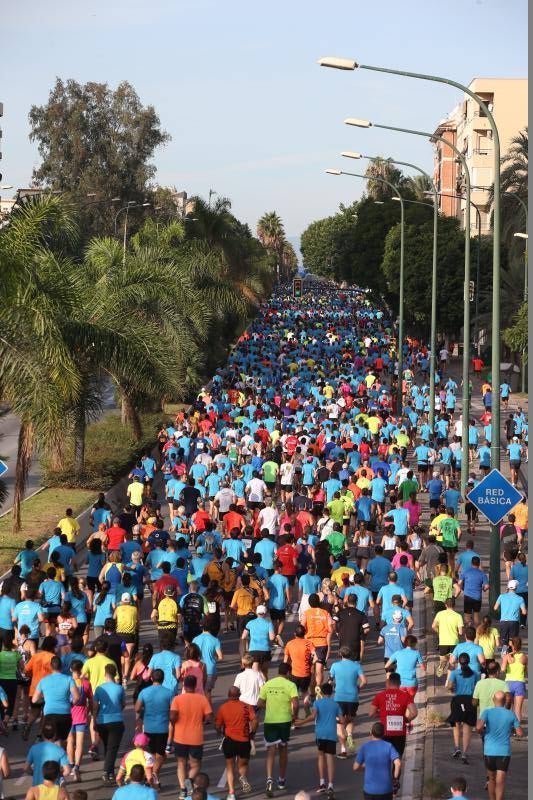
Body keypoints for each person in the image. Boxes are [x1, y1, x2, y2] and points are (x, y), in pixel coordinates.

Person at [294, 682, 344, 799]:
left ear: (321, 692)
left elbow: (313, 716)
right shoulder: (335, 704)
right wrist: (334, 720)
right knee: (330, 758)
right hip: (331, 734)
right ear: (332, 693)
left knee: (321, 756)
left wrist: (301, 722)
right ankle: (331, 785)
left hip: (320, 733)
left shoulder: (317, 702)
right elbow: (342, 721)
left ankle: (322, 783)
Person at [258, 662, 299, 797]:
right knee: (283, 749)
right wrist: (294, 716)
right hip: (284, 721)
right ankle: (281, 780)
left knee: (270, 750)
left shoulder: (268, 684)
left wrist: (269, 707)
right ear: (287, 673)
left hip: (270, 721)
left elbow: (259, 703)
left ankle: (269, 778)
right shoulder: (291, 685)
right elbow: (295, 704)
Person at [170, 675, 212, 799]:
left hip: (180, 737)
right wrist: (202, 720)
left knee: (181, 763)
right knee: (195, 765)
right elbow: (209, 716)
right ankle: (190, 779)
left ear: (184, 685)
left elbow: (172, 717)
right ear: (195, 685)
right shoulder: (202, 699)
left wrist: (175, 723)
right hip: (196, 737)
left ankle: (183, 789)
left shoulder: (177, 699)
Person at [476, 691, 523, 800]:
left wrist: (483, 732)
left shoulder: (487, 712)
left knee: (491, 779)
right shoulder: (510, 714)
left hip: (489, 751)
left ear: (493, 700)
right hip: (504, 752)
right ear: (504, 701)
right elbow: (520, 733)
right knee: (500, 782)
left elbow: (478, 727)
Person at [215, 686, 257, 800]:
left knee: (230, 766)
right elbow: (255, 720)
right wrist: (252, 733)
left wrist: (219, 732)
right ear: (239, 695)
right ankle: (242, 776)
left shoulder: (223, 708)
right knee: (242, 765)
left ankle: (232, 793)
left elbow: (218, 725)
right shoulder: (246, 706)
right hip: (244, 740)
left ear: (228, 696)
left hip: (229, 741)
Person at [135, 668, 173, 788]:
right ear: (163, 679)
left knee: (150, 754)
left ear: (151, 678)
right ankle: (155, 774)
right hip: (163, 728)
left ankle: (150, 776)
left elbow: (137, 708)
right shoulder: (169, 692)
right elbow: (173, 711)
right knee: (160, 754)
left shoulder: (144, 692)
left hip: (149, 728)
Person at [33, 656, 79, 747]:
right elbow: (77, 697)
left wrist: (45, 698)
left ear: (50, 667)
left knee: (50, 740)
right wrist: (70, 704)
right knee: (61, 740)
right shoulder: (69, 679)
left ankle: (52, 757)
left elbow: (34, 700)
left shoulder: (43, 681)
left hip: (49, 714)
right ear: (61, 667)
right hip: (65, 714)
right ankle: (61, 757)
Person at [369, 672, 417, 758]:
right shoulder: (406, 696)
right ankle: (396, 770)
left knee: (385, 758)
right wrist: (407, 720)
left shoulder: (380, 696)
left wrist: (382, 713)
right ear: (400, 683)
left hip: (384, 732)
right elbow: (414, 713)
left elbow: (371, 713)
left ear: (388, 682)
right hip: (400, 733)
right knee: (397, 759)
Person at [93, 663, 126, 783]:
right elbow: (123, 704)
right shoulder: (119, 688)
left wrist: (94, 720)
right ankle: (107, 771)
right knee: (112, 747)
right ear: (115, 674)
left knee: (108, 746)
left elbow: (95, 706)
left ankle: (109, 771)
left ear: (105, 674)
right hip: (116, 721)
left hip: (102, 721)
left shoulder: (99, 688)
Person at [353, 722, 402, 800]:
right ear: (384, 734)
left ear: (371, 733)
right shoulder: (389, 746)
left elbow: (355, 767)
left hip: (369, 791)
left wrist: (366, 767)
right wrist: (395, 779)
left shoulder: (365, 747)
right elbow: (398, 763)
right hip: (386, 790)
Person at [446, 652, 478, 764]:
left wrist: (452, 689)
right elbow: (477, 686)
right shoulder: (475, 674)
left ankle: (456, 747)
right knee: (467, 727)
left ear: (459, 662)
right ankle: (464, 753)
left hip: (458, 700)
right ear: (469, 661)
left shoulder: (454, 673)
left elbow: (449, 686)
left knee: (456, 724)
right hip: (470, 701)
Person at [25, 721, 70, 786]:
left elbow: (26, 768)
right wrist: (57, 775)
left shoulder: (34, 748)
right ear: (55, 735)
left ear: (42, 735)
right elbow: (67, 771)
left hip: (37, 788)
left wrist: (34, 773)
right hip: (53, 788)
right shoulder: (60, 750)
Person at [241, 604, 275, 679]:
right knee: (264, 672)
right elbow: (272, 638)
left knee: (255, 674)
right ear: (265, 613)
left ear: (256, 613)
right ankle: (265, 688)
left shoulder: (250, 623)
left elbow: (243, 637)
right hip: (265, 651)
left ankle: (256, 689)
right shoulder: (269, 623)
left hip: (253, 650)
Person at [433, 599, 464, 677]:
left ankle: (442, 665)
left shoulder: (440, 614)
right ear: (454, 605)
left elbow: (433, 626)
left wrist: (439, 631)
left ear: (445, 605)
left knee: (443, 659)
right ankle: (448, 681)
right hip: (454, 642)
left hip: (443, 642)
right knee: (452, 663)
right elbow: (460, 632)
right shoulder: (458, 616)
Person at [493, 580, 526, 650]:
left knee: (504, 641)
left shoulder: (501, 596)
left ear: (508, 587)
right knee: (513, 640)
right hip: (514, 622)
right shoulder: (520, 598)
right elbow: (524, 612)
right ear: (516, 588)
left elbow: (495, 608)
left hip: (503, 621)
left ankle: (504, 654)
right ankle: (512, 654)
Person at [501, 636, 527, 723]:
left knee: (507, 708)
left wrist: (505, 659)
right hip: (519, 683)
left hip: (508, 683)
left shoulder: (507, 656)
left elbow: (503, 669)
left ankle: (507, 727)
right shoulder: (524, 657)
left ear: (511, 644)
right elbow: (526, 671)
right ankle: (517, 730)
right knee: (517, 709)